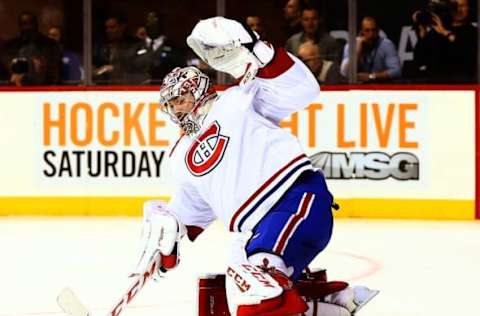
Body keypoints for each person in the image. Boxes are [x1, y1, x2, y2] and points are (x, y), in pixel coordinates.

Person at [131, 16, 376, 316]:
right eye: (171, 104)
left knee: (256, 287)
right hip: (253, 233)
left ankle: (315, 302)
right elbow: (194, 209)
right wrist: (166, 236)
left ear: (198, 90)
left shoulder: (239, 99)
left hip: (293, 202)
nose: (176, 108)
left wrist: (259, 50)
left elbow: (303, 90)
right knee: (243, 284)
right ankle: (330, 304)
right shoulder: (178, 156)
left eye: (181, 98)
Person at [412, 0, 477, 82]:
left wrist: (445, 33)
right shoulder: (436, 31)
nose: (458, 10)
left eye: (462, 6)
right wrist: (423, 32)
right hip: (435, 84)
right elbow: (419, 61)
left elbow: (468, 57)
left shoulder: (474, 32)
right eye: (455, 6)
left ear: (469, 8)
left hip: (462, 84)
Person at [2, 10, 61, 86]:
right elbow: (7, 70)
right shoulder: (10, 46)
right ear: (19, 26)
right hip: (16, 91)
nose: (27, 27)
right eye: (23, 24)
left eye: (30, 23)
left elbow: (54, 73)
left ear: (36, 25)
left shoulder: (50, 45)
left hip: (44, 90)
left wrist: (41, 67)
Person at [340, 16, 401, 83]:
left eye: (373, 30)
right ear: (362, 31)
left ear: (378, 31)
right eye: (367, 30)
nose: (371, 34)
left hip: (381, 86)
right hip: (358, 88)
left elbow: (396, 71)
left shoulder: (386, 45)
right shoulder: (351, 45)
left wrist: (371, 76)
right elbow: (344, 72)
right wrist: (357, 51)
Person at [92, 13, 147, 84]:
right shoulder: (100, 46)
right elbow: (93, 67)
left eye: (112, 27)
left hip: (128, 86)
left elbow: (140, 68)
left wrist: (115, 69)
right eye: (106, 28)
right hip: (104, 87)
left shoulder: (135, 45)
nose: (108, 30)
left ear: (122, 27)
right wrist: (96, 71)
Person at [137, 11, 179, 84]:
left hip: (166, 87)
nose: (151, 23)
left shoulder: (174, 48)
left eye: (155, 20)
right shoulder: (135, 47)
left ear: (162, 23)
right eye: (149, 20)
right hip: (139, 88)